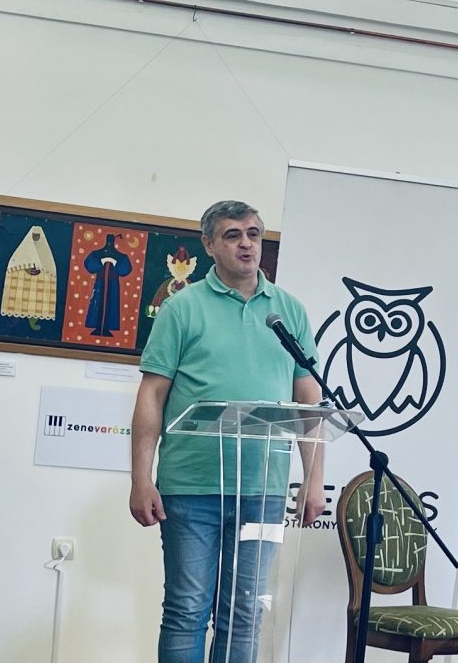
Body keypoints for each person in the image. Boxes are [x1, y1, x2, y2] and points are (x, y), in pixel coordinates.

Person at [130, 200, 326, 663]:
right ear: (209, 245)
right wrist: (141, 478)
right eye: (233, 235)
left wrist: (314, 479)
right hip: (191, 486)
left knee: (244, 613)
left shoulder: (288, 311)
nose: (246, 244)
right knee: (186, 609)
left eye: (253, 234)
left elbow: (308, 399)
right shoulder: (182, 308)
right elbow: (152, 394)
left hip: (263, 488)